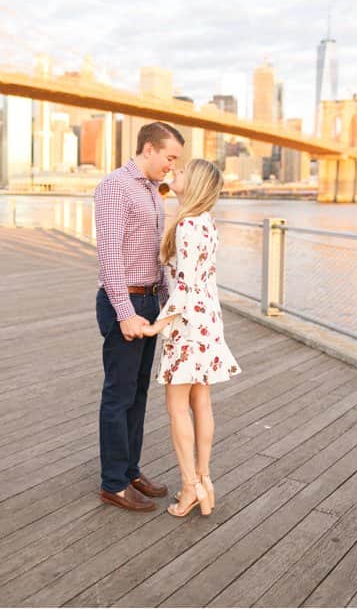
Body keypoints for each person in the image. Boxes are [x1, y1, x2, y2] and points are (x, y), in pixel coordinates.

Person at [142, 158, 241, 517]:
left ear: (195, 183)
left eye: (180, 173)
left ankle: (189, 488)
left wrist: (158, 324)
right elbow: (202, 280)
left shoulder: (186, 225)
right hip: (208, 320)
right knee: (202, 403)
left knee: (176, 407)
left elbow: (183, 285)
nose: (174, 174)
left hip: (186, 324)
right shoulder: (207, 223)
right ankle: (205, 480)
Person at [94, 121, 185, 512]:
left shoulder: (152, 191)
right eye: (170, 157)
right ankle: (113, 482)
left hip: (149, 301)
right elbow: (110, 257)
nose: (172, 165)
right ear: (149, 149)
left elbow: (155, 257)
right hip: (124, 304)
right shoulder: (115, 187)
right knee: (118, 394)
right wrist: (125, 313)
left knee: (138, 393)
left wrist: (166, 303)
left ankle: (130, 469)